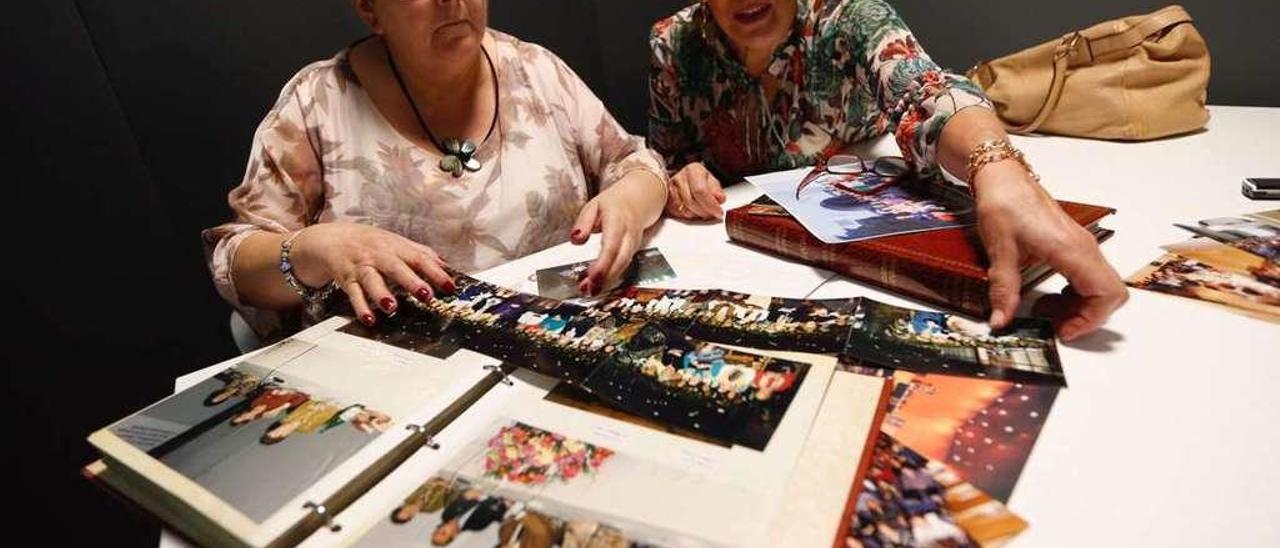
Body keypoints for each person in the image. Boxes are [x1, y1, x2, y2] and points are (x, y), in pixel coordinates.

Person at [649, 0, 1127, 341]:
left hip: (859, 255)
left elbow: (925, 91)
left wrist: (999, 170)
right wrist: (681, 178)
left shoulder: (851, 15)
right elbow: (664, 160)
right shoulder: (673, 43)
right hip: (737, 265)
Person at [203, 0, 669, 342]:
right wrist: (313, 248)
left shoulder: (534, 69)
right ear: (369, 9)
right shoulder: (318, 103)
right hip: (406, 368)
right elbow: (235, 261)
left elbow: (635, 162)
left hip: (558, 336)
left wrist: (629, 198)